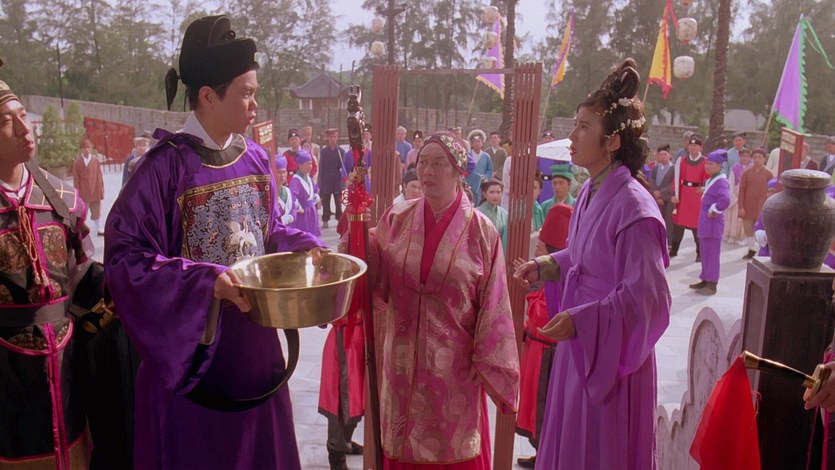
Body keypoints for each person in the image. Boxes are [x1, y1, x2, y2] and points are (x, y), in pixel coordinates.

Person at [104, 16, 328, 469]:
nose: (255, 103)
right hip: (196, 363)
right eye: (246, 93)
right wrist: (207, 283)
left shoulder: (256, 158)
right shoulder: (162, 170)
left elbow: (265, 233)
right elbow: (125, 262)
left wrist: (303, 248)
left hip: (258, 353)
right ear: (208, 95)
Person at [513, 58, 671, 469]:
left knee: (601, 449)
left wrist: (583, 320)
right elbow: (587, 257)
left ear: (613, 141)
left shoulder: (635, 208)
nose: (572, 137)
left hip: (611, 355)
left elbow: (647, 300)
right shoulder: (590, 191)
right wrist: (548, 264)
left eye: (583, 127)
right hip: (583, 342)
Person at [367, 131, 519, 468]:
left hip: (454, 371)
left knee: (453, 451)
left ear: (459, 171)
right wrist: (357, 234)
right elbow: (373, 274)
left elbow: (495, 303)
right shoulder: (396, 219)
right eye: (423, 162)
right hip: (401, 363)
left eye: (438, 163)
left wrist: (486, 359)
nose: (428, 171)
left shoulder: (482, 231)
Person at [0, 79, 106, 469]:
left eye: (23, 116)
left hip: (67, 365)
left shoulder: (61, 199)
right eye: (5, 121)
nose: (24, 128)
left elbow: (84, 276)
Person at [514, 203, 572, 469]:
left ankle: (548, 459)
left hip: (548, 356)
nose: (535, 254)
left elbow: (543, 317)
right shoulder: (546, 279)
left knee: (545, 411)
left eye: (539, 250)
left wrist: (530, 290)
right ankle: (541, 455)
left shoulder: (560, 282)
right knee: (535, 411)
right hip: (536, 351)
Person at [689, 149, 731, 295]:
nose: (707, 166)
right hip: (705, 221)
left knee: (712, 253)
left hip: (713, 222)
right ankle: (705, 278)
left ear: (719, 166)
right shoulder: (712, 179)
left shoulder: (722, 182)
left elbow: (725, 199)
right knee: (705, 252)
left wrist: (715, 209)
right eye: (707, 163)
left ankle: (712, 283)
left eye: (711, 164)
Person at [670, 133, 708, 260]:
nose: (693, 148)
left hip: (697, 195)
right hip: (684, 194)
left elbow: (710, 178)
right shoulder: (683, 161)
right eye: (691, 145)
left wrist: (705, 188)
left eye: (695, 146)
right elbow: (676, 178)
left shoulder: (705, 162)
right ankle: (674, 250)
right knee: (678, 224)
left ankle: (700, 253)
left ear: (701, 147)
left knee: (697, 225)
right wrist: (675, 194)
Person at [738, 147, 774, 259]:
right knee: (748, 229)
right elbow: (741, 190)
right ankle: (751, 249)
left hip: (762, 206)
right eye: (755, 157)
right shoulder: (746, 173)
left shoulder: (769, 174)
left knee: (760, 229)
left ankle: (760, 250)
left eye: (759, 157)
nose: (757, 160)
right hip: (748, 205)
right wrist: (741, 207)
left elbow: (772, 191)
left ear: (764, 159)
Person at [72, 136, 105, 236]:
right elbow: (76, 179)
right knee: (82, 212)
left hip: (95, 188)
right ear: (81, 149)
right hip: (84, 190)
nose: (86, 150)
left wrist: (101, 189)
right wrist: (77, 192)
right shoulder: (78, 162)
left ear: (91, 148)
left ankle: (99, 228)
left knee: (96, 210)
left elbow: (99, 175)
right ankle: (81, 230)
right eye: (84, 148)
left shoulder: (95, 160)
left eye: (88, 147)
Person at [289, 148, 321, 236]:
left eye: (310, 164)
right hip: (303, 213)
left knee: (313, 235)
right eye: (307, 164)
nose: (310, 166)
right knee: (305, 235)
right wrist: (298, 207)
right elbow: (292, 197)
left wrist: (315, 197)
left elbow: (315, 189)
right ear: (300, 165)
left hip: (312, 211)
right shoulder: (296, 180)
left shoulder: (308, 178)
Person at [649, 144, 675, 248]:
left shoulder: (674, 169)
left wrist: (661, 193)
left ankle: (668, 243)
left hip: (668, 199)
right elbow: (651, 181)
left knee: (668, 221)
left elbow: (672, 184)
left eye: (665, 154)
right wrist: (656, 194)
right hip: (656, 198)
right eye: (661, 155)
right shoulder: (655, 168)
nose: (663, 156)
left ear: (670, 156)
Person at [724, 147, 752, 244]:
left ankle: (743, 237)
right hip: (735, 194)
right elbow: (730, 182)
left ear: (750, 157)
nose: (745, 158)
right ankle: (732, 236)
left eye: (747, 156)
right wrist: (732, 196)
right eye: (743, 156)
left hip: (747, 195)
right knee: (734, 216)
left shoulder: (752, 168)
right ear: (740, 156)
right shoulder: (735, 168)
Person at [319, 128, 346, 229]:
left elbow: (344, 167)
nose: (332, 139)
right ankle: (325, 219)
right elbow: (321, 167)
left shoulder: (341, 151)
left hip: (337, 177)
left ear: (337, 138)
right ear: (328, 138)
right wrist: (320, 182)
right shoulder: (324, 152)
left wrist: (343, 182)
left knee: (338, 202)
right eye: (331, 137)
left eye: (334, 136)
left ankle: (339, 220)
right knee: (326, 201)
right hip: (327, 177)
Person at [477, 178, 508, 251]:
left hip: (499, 251)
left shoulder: (505, 213)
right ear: (485, 194)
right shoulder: (477, 213)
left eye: (498, 192)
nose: (495, 196)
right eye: (491, 192)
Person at [466, 129, 493, 205]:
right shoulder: (468, 156)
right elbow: (464, 169)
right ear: (471, 144)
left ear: (482, 143)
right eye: (475, 142)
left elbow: (489, 169)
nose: (477, 144)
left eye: (479, 142)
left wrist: (486, 177)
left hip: (481, 184)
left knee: (480, 203)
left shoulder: (486, 156)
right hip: (470, 183)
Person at [271, 153, 298, 226]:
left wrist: (288, 218)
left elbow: (294, 209)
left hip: (289, 227)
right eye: (279, 172)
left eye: (284, 172)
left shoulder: (287, 191)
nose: (282, 175)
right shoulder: (270, 193)